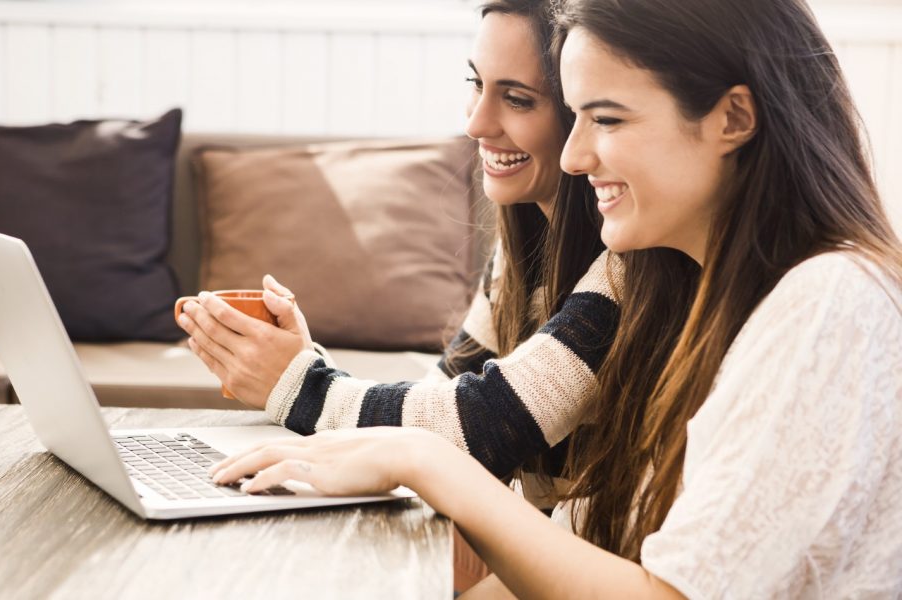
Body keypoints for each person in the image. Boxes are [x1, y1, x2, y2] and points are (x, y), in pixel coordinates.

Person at [205, 0, 902, 597]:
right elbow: (594, 541)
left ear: (733, 118)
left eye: (607, 119)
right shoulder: (707, 305)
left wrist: (420, 457)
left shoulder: (829, 301)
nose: (573, 157)